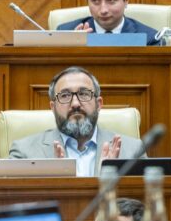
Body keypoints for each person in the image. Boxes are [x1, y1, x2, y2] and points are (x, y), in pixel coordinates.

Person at [9, 66, 145, 176]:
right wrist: (58, 185)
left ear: (99, 104)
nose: (75, 103)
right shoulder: (24, 153)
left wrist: (105, 182)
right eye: (65, 95)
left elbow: (143, 205)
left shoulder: (132, 151)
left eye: (84, 94)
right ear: (53, 107)